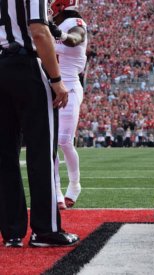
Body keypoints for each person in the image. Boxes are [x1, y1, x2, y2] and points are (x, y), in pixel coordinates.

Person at [0, 0, 79, 247]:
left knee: (4, 155)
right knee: (41, 152)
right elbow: (38, 30)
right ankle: (45, 230)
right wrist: (56, 79)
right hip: (27, 65)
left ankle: (11, 231)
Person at [48, 0, 88, 210]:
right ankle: (56, 192)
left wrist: (58, 34)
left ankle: (74, 184)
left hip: (70, 86)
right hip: (48, 85)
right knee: (50, 143)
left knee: (64, 141)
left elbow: (74, 39)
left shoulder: (75, 22)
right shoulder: (45, 24)